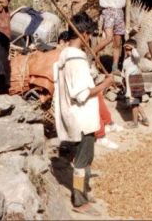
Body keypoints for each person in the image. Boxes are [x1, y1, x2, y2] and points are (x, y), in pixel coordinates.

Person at [53, 13, 115, 213]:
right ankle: (79, 201)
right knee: (81, 162)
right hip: (82, 118)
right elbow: (81, 94)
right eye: (90, 35)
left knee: (84, 160)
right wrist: (105, 84)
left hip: (77, 117)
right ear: (85, 35)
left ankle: (84, 192)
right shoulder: (75, 61)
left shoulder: (66, 54)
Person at [79, 0, 137, 72]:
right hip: (108, 11)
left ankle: (115, 67)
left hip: (119, 12)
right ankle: (92, 53)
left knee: (117, 42)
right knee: (109, 37)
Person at [121, 39, 148, 128]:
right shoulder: (126, 59)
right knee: (135, 102)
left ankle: (135, 123)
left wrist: (133, 49)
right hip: (129, 82)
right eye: (126, 49)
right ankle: (144, 118)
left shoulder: (134, 59)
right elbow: (124, 70)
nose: (127, 51)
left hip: (134, 82)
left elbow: (136, 55)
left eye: (129, 49)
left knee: (134, 103)